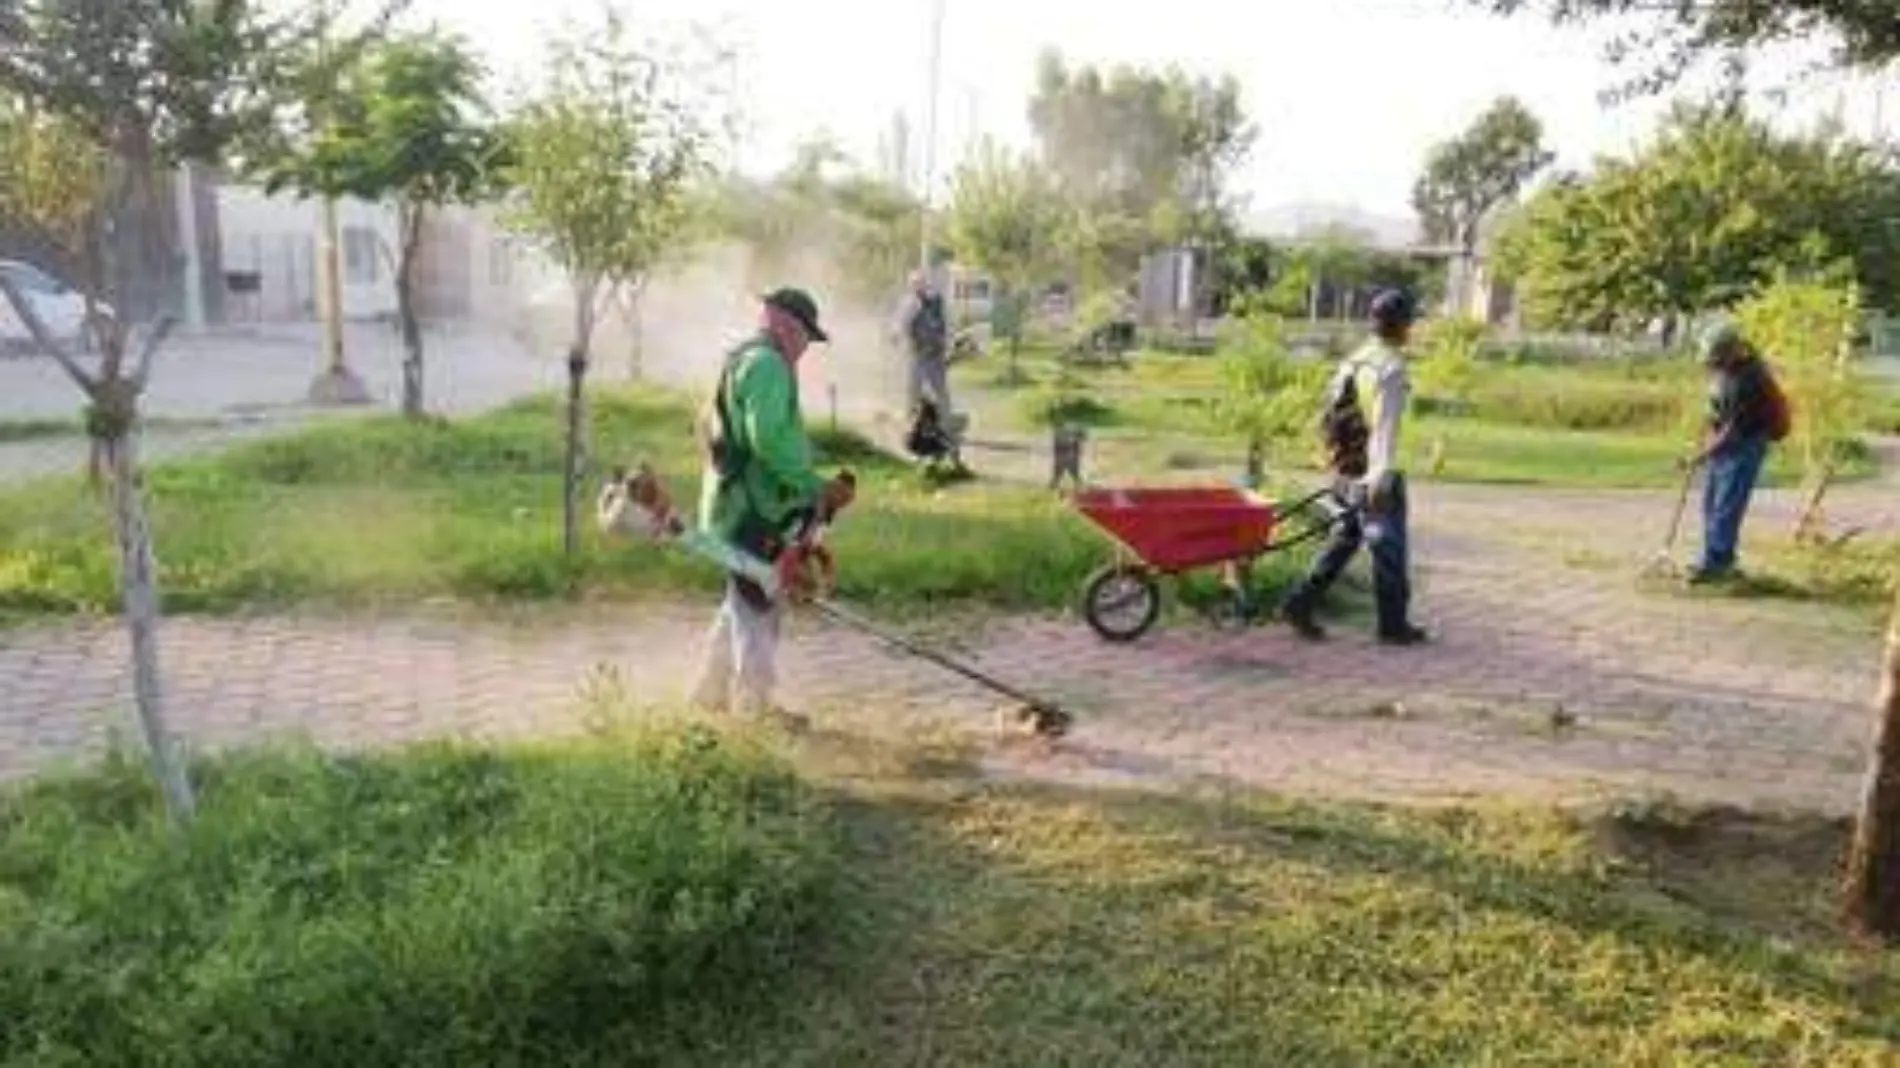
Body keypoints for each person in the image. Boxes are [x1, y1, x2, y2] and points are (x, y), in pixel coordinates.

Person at [690, 287, 856, 725]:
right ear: (786, 325)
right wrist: (813, 487)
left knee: (740, 605)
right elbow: (766, 438)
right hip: (747, 514)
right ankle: (755, 712)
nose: (806, 348)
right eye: (806, 336)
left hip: (733, 507)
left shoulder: (745, 358)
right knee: (758, 611)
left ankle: (708, 696)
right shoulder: (768, 366)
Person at [1278, 288, 1430, 646]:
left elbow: (1331, 412)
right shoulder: (1390, 367)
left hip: (1346, 468)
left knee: (1344, 539)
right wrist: (1380, 476)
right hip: (1375, 474)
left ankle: (1299, 603)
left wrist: (1331, 457)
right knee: (1389, 549)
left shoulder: (1356, 358)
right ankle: (1393, 626)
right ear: (1403, 325)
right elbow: (1385, 425)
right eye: (1411, 321)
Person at [1682, 319, 1777, 584]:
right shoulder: (1725, 370)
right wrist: (1706, 427)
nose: (1711, 363)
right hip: (1725, 441)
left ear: (1729, 351)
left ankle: (1715, 562)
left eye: (1715, 357)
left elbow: (1732, 431)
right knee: (1711, 502)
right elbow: (1716, 408)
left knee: (1727, 505)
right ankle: (1718, 558)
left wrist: (1700, 456)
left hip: (1744, 445)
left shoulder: (1749, 379)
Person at [895, 269, 952, 411]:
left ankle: (946, 414)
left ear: (926, 284)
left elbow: (944, 324)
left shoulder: (935, 302)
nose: (918, 286)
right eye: (915, 283)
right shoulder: (908, 303)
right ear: (910, 286)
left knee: (939, 386)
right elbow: (901, 323)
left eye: (921, 283)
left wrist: (946, 342)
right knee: (914, 386)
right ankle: (911, 413)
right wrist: (896, 335)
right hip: (917, 352)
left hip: (934, 353)